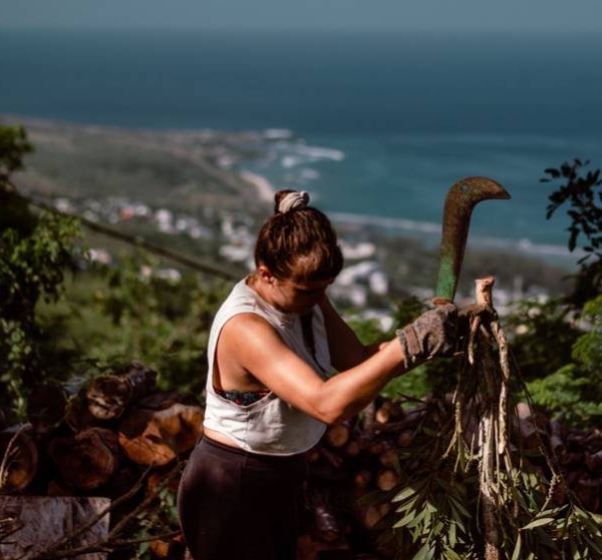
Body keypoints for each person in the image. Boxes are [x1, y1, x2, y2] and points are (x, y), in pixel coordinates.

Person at [177, 189, 464, 560]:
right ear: (266, 274)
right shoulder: (246, 327)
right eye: (308, 290)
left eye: (325, 288)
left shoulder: (306, 298)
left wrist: (427, 343)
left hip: (279, 477)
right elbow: (326, 404)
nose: (317, 298)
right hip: (232, 483)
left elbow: (358, 361)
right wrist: (409, 343)